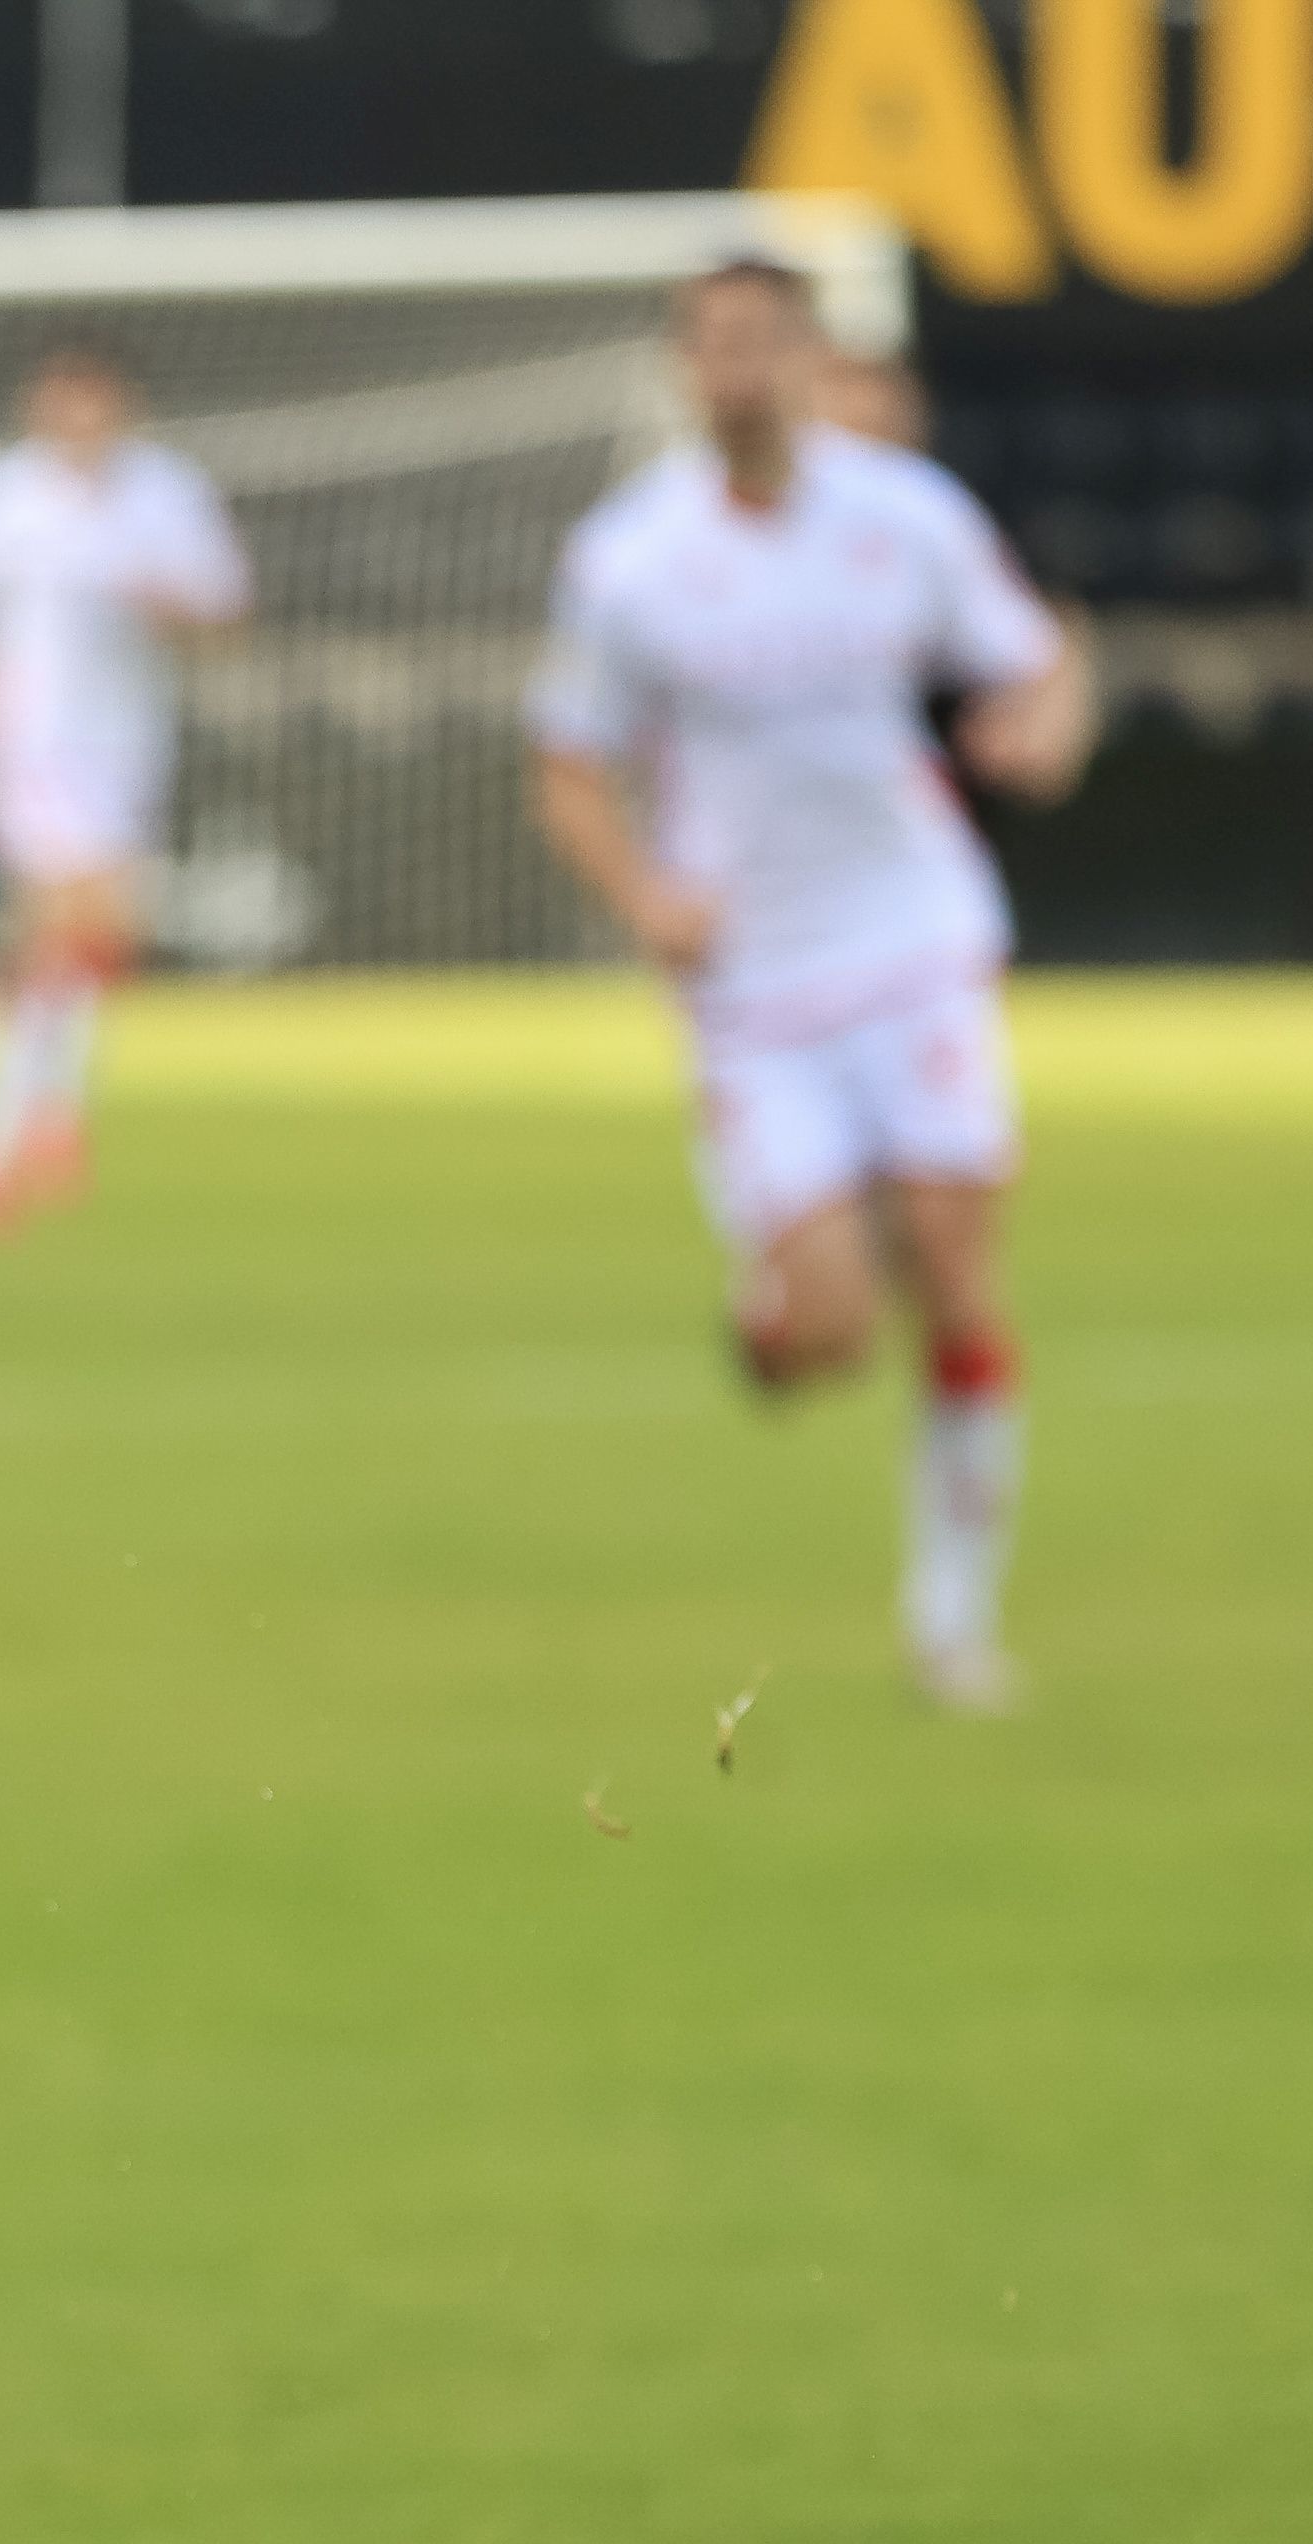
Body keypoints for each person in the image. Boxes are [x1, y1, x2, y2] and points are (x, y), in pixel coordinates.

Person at [528, 261, 1092, 1714]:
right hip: (754, 987)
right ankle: (777, 1313)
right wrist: (645, 895)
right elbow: (568, 767)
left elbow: (1040, 659)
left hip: (914, 943)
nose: (736, 367)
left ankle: (953, 1621)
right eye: (711, 343)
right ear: (681, 367)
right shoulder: (628, 558)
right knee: (833, 1329)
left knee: (961, 1276)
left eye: (762, 340)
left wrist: (1042, 727)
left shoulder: (904, 517)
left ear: (806, 359)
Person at [0, 346, 247, 1229]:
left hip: (126, 740)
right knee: (60, 917)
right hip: (23, 734)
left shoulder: (167, 493)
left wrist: (167, 607)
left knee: (99, 936)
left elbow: (223, 613)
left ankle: (46, 1104)